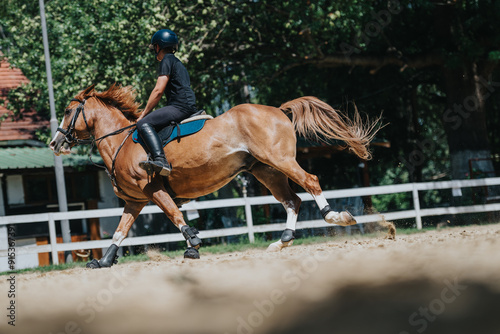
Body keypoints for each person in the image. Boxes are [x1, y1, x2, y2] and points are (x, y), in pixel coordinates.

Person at [136, 29, 198, 176]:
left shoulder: (167, 60)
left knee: (143, 124)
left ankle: (160, 160)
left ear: (158, 47)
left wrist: (144, 114)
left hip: (180, 107)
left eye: (155, 48)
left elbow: (158, 91)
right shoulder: (177, 62)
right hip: (188, 105)